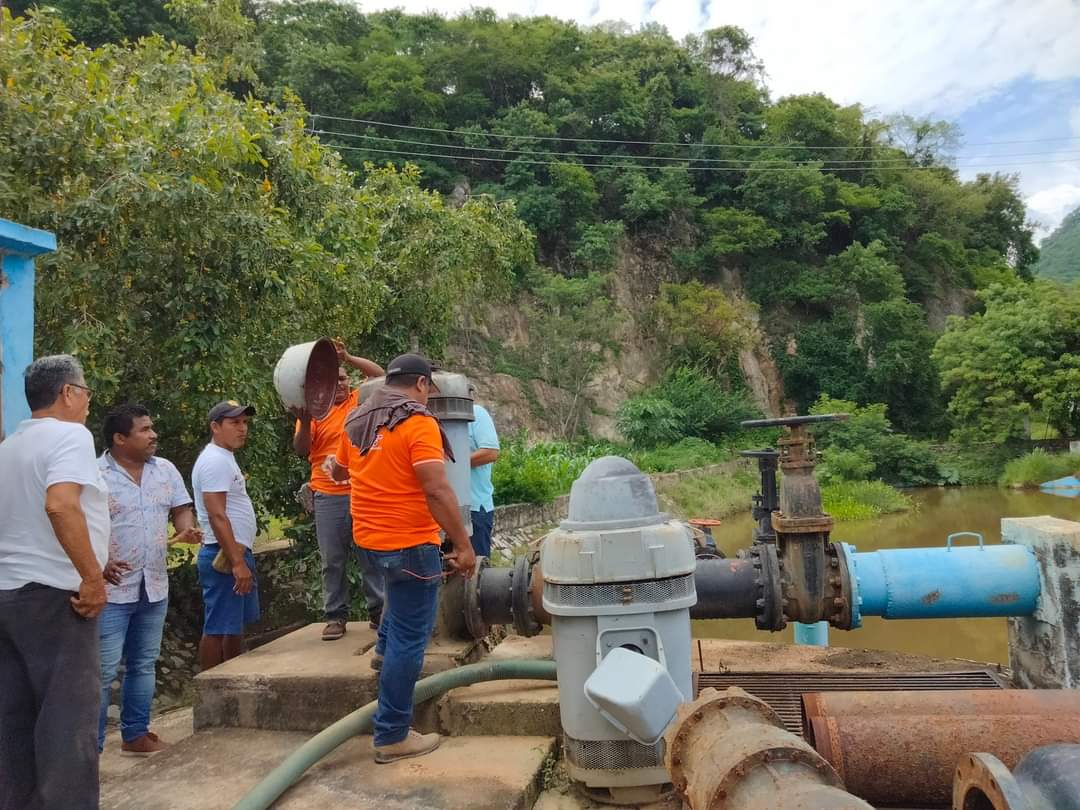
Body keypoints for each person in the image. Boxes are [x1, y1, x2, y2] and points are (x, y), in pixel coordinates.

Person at [327, 353, 477, 764]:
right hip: (410, 543)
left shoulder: (357, 420)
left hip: (371, 541)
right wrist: (463, 545)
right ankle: (392, 733)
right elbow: (437, 490)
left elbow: (338, 472)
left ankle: (381, 652)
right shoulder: (417, 422)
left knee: (397, 598)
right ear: (423, 385)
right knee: (413, 637)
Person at [0, 355, 110, 810]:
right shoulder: (71, 436)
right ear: (68, 393)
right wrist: (92, 577)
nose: (87, 404)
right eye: (85, 392)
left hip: (9, 598)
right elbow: (62, 505)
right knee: (68, 726)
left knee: (14, 724)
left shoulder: (8, 449)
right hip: (55, 600)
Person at [97, 404, 202, 755]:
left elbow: (180, 508)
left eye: (152, 427)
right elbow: (78, 525)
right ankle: (89, 750)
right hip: (109, 590)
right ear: (119, 438)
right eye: (144, 429)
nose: (153, 434)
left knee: (143, 663)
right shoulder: (95, 476)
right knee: (102, 671)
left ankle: (136, 735)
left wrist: (185, 529)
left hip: (153, 584)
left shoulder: (165, 471)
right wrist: (97, 562)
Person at [293, 344, 386, 641]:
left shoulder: (359, 402)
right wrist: (306, 422)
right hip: (327, 495)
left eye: (346, 379)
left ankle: (378, 610)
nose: (343, 384)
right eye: (337, 380)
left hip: (361, 490)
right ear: (325, 385)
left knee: (370, 553)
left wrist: (347, 358)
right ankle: (335, 616)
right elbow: (301, 449)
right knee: (332, 559)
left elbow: (380, 375)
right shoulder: (313, 413)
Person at [192, 400, 259, 670]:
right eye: (234, 423)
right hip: (224, 556)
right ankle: (212, 689)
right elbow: (216, 514)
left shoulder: (224, 458)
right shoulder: (214, 461)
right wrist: (237, 563)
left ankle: (232, 680)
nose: (242, 429)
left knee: (232, 627)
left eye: (244, 423)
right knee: (218, 627)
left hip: (234, 553)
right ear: (215, 427)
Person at [467, 386, 500, 558]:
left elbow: (491, 452)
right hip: (438, 508)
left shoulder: (476, 414)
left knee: (476, 568)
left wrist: (450, 464)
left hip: (474, 508)